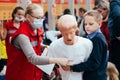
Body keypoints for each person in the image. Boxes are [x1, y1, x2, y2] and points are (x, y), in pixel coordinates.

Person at [9, 4, 71, 80]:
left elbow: (33, 45)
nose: (41, 20)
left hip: (33, 74)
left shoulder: (36, 30)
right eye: (38, 18)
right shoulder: (22, 35)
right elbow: (32, 58)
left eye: (42, 18)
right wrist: (57, 60)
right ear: (28, 17)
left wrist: (42, 46)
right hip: (20, 75)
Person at [62, 10, 108, 80]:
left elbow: (94, 63)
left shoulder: (97, 39)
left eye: (91, 24)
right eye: (85, 24)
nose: (87, 27)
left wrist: (72, 68)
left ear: (99, 24)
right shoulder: (90, 37)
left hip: (95, 77)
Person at [47, 14, 93, 80]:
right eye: (65, 34)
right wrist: (52, 73)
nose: (69, 37)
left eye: (71, 33)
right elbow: (48, 68)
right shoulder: (54, 46)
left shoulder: (87, 44)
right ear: (60, 32)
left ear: (76, 29)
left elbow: (93, 65)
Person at [0, 6, 25, 80]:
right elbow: (3, 38)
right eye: (19, 14)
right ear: (14, 14)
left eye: (22, 15)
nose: (20, 16)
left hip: (22, 53)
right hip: (11, 54)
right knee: (12, 72)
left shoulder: (23, 25)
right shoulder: (8, 25)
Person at [108, 0, 120, 75]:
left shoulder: (114, 2)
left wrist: (117, 34)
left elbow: (117, 15)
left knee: (115, 69)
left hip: (116, 42)